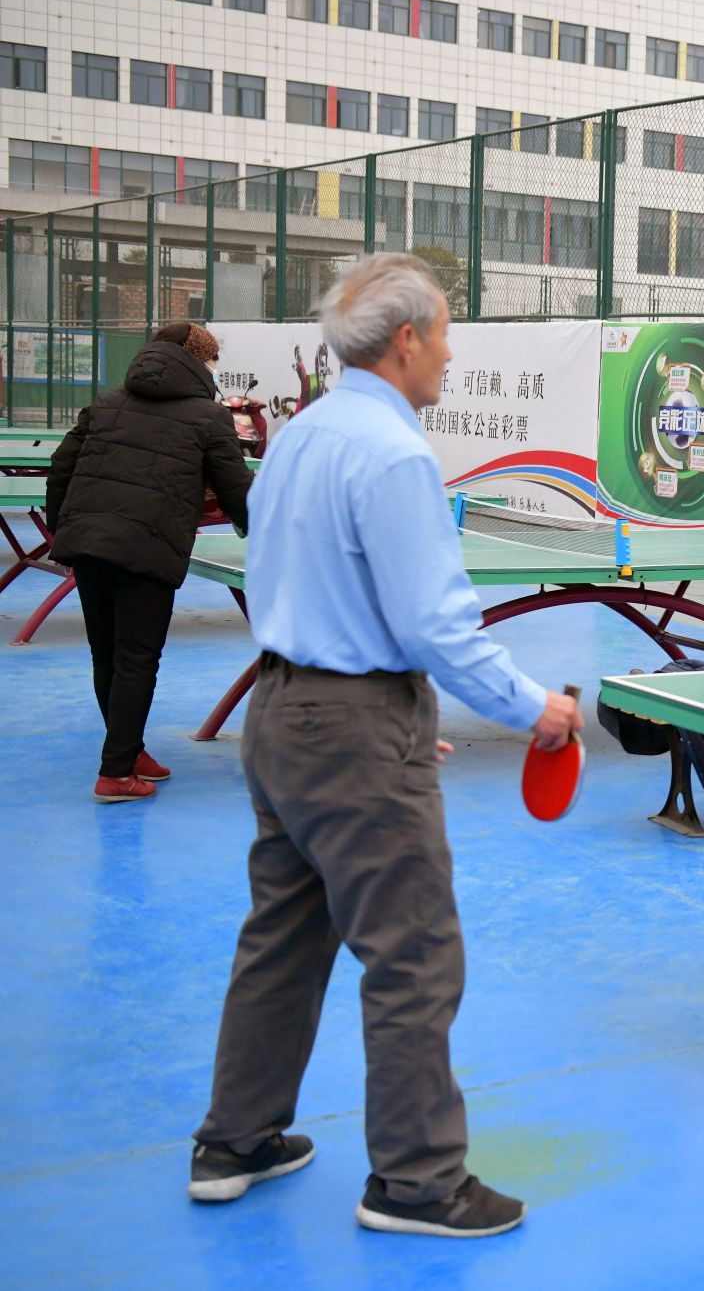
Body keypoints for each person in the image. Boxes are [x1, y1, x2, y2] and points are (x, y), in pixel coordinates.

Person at [188, 253, 583, 1236]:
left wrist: (381, 721)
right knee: (414, 954)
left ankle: (234, 1141)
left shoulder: (301, 435)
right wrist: (533, 707)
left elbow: (292, 578)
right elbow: (434, 626)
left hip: (280, 714)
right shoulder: (397, 455)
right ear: (406, 340)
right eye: (443, 333)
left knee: (281, 937)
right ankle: (418, 1183)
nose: (449, 353)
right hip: (351, 728)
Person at [47, 322, 253, 802]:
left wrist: (64, 530)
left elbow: (61, 467)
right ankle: (116, 772)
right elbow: (236, 489)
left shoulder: (107, 403)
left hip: (89, 544)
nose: (215, 369)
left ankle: (129, 751)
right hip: (146, 547)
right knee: (137, 658)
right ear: (199, 361)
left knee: (107, 655)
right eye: (213, 360)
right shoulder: (208, 416)